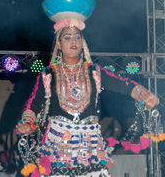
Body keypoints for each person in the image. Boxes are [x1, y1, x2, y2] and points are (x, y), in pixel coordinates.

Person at [16, 22, 159, 177]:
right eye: (67, 37)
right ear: (58, 43)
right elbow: (33, 104)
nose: (74, 41)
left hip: (90, 146)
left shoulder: (94, 72)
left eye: (78, 37)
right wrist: (27, 122)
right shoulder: (48, 75)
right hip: (57, 146)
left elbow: (121, 84)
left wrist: (143, 95)